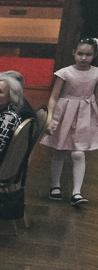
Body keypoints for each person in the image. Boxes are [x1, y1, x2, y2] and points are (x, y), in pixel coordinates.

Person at [44, 37, 98, 204]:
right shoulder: (65, 72)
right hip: (65, 112)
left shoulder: (96, 73)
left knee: (79, 152)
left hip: (85, 113)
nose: (84, 58)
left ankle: (77, 192)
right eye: (80, 53)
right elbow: (54, 97)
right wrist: (50, 118)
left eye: (88, 55)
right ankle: (55, 186)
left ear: (94, 55)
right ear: (74, 53)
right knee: (60, 150)